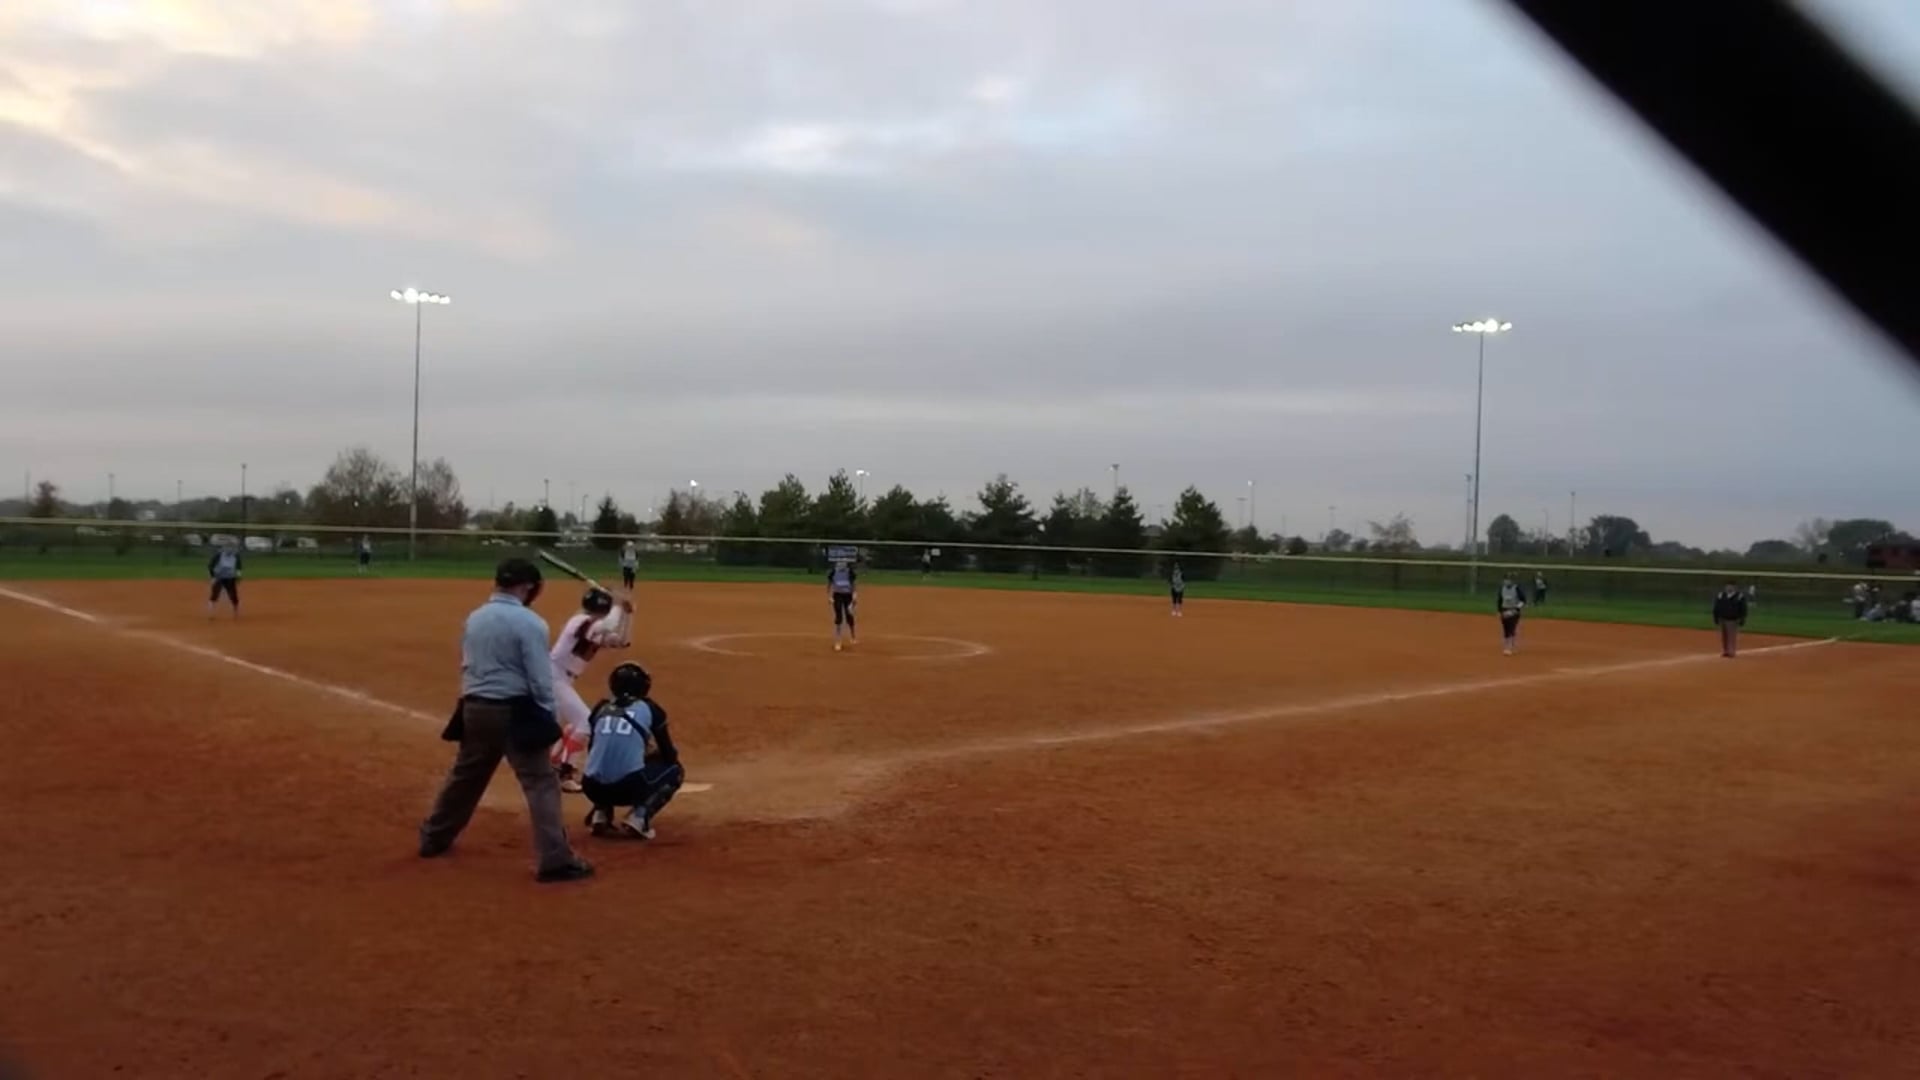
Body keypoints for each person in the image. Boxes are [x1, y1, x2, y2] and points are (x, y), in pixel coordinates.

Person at [419, 558, 593, 884]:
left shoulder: (475, 618)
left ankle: (433, 837)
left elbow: (468, 665)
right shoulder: (530, 622)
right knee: (540, 782)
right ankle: (555, 859)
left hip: (474, 707)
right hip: (515, 710)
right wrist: (546, 715)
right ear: (527, 587)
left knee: (466, 776)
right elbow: (539, 678)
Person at [581, 662, 684, 841]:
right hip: (628, 788)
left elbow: (594, 750)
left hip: (591, 787)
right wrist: (651, 755)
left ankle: (601, 813)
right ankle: (639, 818)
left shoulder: (600, 708)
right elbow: (669, 754)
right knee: (675, 770)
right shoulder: (650, 709)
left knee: (603, 762)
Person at [549, 588, 633, 792]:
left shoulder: (592, 628)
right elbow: (608, 625)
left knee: (571, 724)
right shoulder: (580, 622)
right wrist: (618, 606)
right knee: (585, 721)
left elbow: (621, 641)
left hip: (560, 679)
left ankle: (555, 762)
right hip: (553, 678)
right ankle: (565, 773)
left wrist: (627, 614)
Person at [1712, 580, 1749, 658]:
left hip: (1733, 619)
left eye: (1730, 586)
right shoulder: (1721, 595)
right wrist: (1715, 617)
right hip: (1722, 618)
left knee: (1731, 636)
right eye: (1727, 586)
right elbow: (1716, 607)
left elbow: (1743, 608)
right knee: (1724, 636)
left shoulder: (1739, 596)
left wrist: (1742, 618)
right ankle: (1725, 651)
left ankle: (1731, 651)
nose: (1728, 588)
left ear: (1735, 587)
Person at [206, 542, 242, 619]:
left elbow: (239, 566)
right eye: (227, 547)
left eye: (231, 547)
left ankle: (236, 611)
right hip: (219, 576)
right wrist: (212, 577)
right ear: (223, 548)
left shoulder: (236, 555)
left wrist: (239, 575)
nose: (229, 549)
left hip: (230, 577)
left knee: (233, 595)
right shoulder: (218, 555)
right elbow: (210, 566)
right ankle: (210, 613)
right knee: (215, 594)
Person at [829, 557, 858, 651]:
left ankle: (853, 636)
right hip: (837, 595)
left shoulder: (850, 572)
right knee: (839, 617)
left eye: (843, 563)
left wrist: (854, 595)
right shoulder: (833, 572)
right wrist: (830, 596)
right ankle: (838, 641)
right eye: (839, 563)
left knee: (849, 615)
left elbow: (853, 585)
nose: (841, 565)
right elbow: (830, 584)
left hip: (848, 595)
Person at [1497, 573, 1526, 655]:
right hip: (1505, 609)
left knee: (1512, 627)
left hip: (1514, 610)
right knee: (1505, 628)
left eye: (1509, 580)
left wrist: (1517, 609)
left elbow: (1523, 600)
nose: (1507, 582)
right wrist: (1499, 611)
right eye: (1506, 580)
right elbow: (1500, 600)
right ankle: (1507, 644)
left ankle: (1510, 646)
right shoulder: (1502, 588)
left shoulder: (1517, 588)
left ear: (1512, 581)